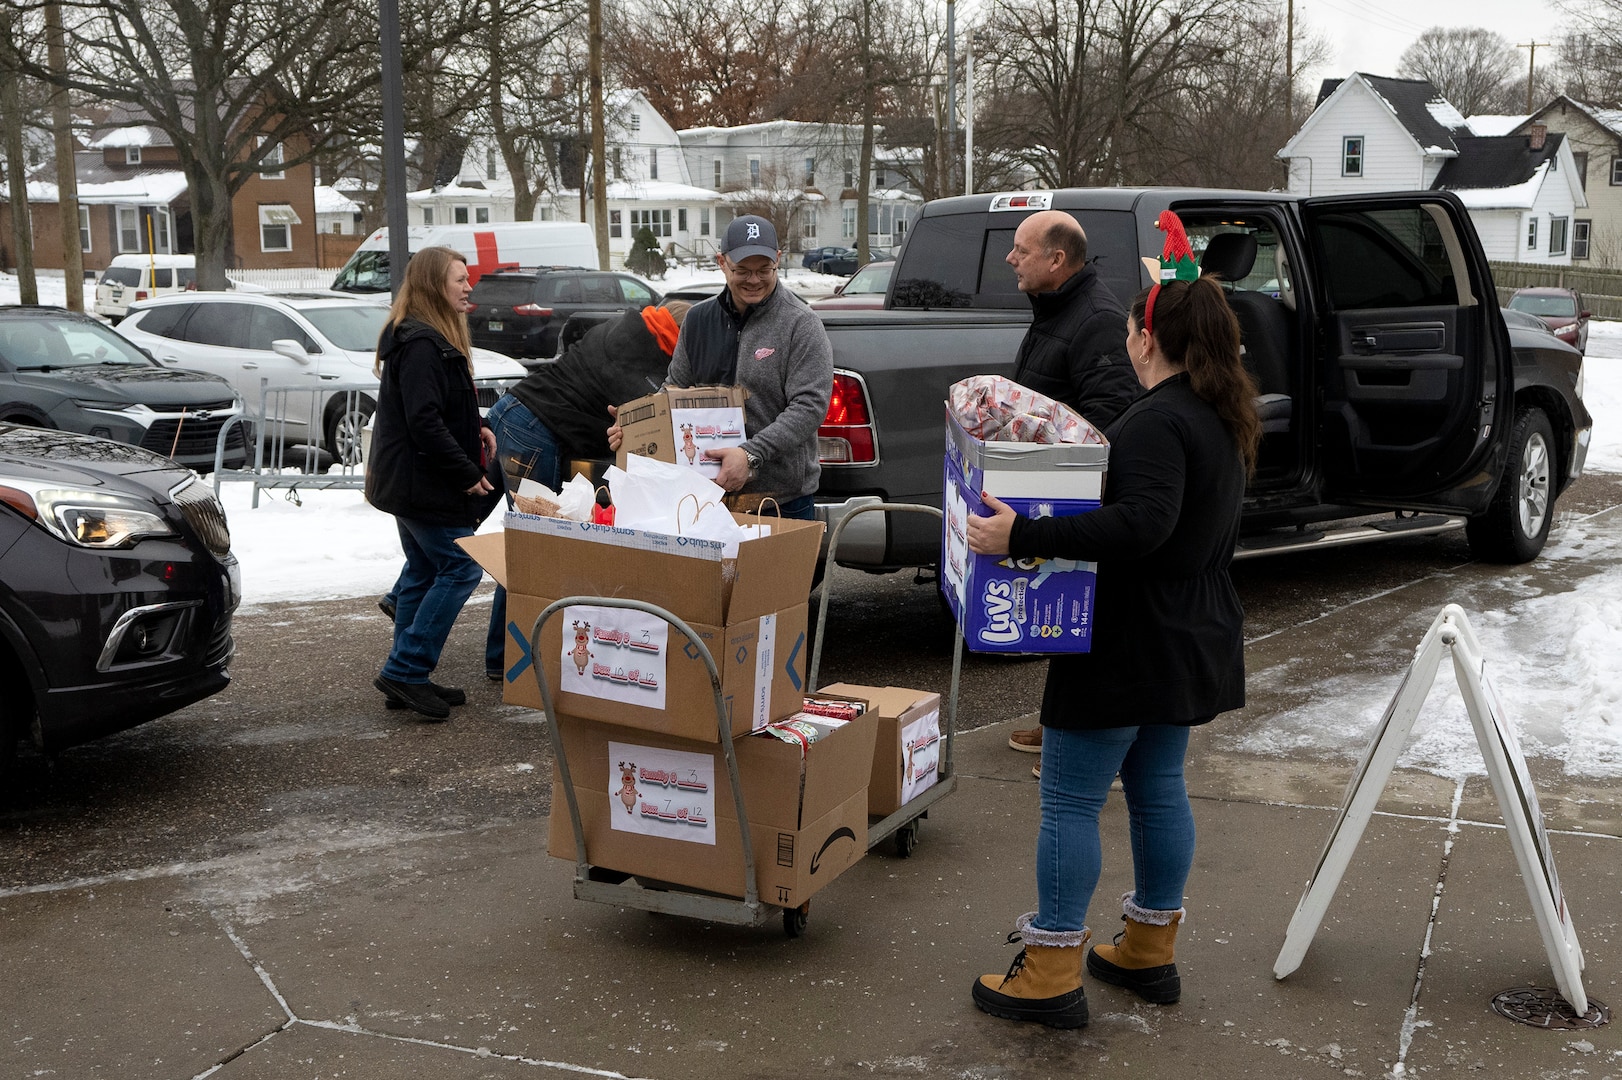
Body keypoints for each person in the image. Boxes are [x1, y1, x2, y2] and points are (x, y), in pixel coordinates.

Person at [965, 274, 1261, 1029]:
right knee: (1158, 788)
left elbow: (1143, 525)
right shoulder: (1221, 412)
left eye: (1133, 330)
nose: (1127, 341)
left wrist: (1021, 536)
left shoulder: (1159, 420)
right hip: (1190, 631)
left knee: (1069, 799)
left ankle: (1053, 968)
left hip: (1129, 639)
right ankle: (1148, 950)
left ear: (1148, 338)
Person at [481, 300, 691, 681]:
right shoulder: (642, 358)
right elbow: (645, 422)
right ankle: (503, 655)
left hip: (515, 416)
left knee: (502, 530)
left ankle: (414, 597)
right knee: (534, 545)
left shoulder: (631, 326)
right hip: (532, 430)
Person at [1004, 209, 1144, 760]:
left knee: (1086, 617)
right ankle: (1062, 718)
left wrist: (1049, 466)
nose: (1011, 259)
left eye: (1021, 250)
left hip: (1075, 497)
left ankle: (1087, 742)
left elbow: (1109, 418)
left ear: (1057, 259)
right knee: (1063, 614)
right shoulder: (1055, 310)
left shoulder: (1096, 319)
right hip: (1048, 487)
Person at [609, 214, 832, 521]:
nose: (754, 280)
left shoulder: (801, 324)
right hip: (702, 498)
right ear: (722, 262)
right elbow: (674, 390)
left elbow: (810, 406)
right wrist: (633, 428)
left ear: (777, 261)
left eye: (763, 269)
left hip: (780, 501)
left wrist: (750, 454)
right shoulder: (698, 320)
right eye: (742, 270)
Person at [364, 246, 498, 721]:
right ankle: (407, 668)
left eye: (468, 278)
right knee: (460, 569)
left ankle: (407, 678)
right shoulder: (421, 343)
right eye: (459, 279)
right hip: (424, 484)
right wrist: (467, 475)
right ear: (432, 286)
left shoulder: (428, 337)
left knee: (423, 570)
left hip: (413, 482)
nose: (469, 286)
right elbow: (424, 421)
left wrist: (476, 423)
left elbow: (438, 409)